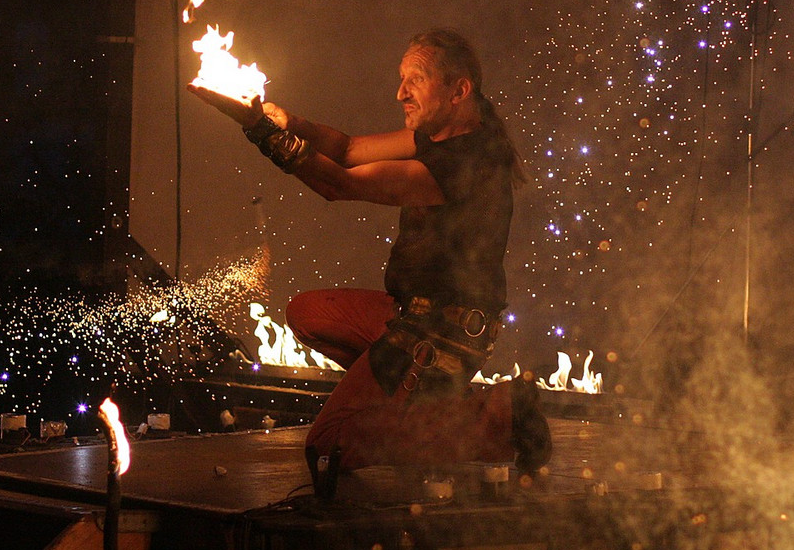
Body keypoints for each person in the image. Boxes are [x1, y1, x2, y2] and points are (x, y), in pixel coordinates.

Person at [191, 28, 550, 472]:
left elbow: (339, 185)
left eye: (415, 80)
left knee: (326, 447)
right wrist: (288, 123)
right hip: (417, 312)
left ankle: (481, 427)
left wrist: (257, 130)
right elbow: (347, 150)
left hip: (441, 333)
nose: (400, 93)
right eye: (402, 79)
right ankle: (430, 403)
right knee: (309, 313)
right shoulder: (443, 136)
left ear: (459, 90)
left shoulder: (468, 164)